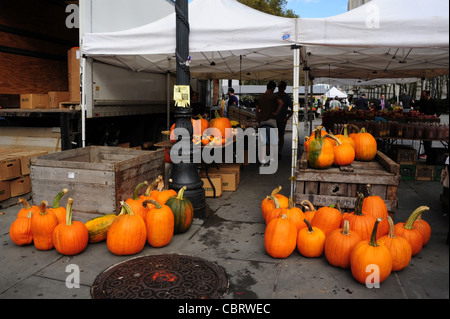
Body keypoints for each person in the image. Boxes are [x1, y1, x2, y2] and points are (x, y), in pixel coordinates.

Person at [255, 81, 283, 167]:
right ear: (272, 88)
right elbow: (281, 103)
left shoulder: (260, 97)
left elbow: (257, 109)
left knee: (263, 142)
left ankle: (263, 161)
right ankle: (271, 160)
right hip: (272, 121)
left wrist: (259, 119)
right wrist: (276, 112)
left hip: (263, 121)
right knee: (272, 142)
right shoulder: (274, 96)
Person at [418, 91, 441, 160]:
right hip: (423, 121)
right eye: (422, 96)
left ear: (428, 95)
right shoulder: (422, 101)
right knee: (424, 137)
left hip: (430, 122)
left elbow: (439, 111)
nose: (422, 97)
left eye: (424, 96)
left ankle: (428, 153)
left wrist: (435, 116)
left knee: (428, 137)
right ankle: (426, 152)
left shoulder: (433, 101)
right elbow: (415, 104)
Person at [276, 81, 293, 158]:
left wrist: (287, 118)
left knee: (281, 135)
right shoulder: (275, 95)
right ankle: (275, 151)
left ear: (285, 88)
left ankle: (279, 151)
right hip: (274, 119)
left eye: (282, 87)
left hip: (282, 119)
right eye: (280, 87)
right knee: (274, 136)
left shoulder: (287, 97)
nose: (281, 89)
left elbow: (293, 108)